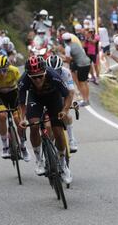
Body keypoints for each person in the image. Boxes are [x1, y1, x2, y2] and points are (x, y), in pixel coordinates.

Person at [18, 56, 73, 184]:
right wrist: (22, 119)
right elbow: (21, 103)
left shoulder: (53, 75)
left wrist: (64, 110)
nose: (37, 80)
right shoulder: (24, 80)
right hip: (35, 99)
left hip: (53, 98)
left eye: (40, 76)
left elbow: (68, 95)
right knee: (34, 125)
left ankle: (63, 165)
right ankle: (39, 160)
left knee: (58, 131)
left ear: (45, 72)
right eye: (34, 77)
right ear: (28, 75)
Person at [0, 55, 31, 161]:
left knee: (18, 119)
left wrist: (24, 103)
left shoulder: (14, 71)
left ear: (8, 67)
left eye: (4, 70)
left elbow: (22, 88)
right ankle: (5, 145)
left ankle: (23, 146)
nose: (2, 73)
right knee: (2, 116)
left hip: (14, 94)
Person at [46, 55, 78, 152]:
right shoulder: (44, 73)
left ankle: (72, 139)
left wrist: (73, 103)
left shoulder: (66, 72)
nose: (55, 73)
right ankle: (49, 148)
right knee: (47, 125)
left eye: (58, 70)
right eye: (52, 71)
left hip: (62, 94)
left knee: (66, 115)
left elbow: (71, 91)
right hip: (48, 95)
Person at [62, 32, 91, 106]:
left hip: (82, 65)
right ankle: (87, 99)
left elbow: (68, 60)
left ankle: (85, 100)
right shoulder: (76, 44)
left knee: (81, 83)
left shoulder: (68, 48)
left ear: (64, 40)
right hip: (87, 62)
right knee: (85, 82)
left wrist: (61, 60)